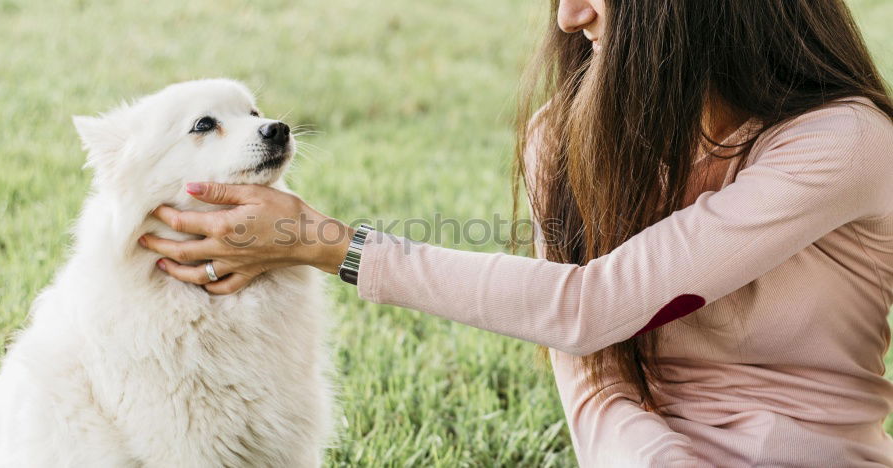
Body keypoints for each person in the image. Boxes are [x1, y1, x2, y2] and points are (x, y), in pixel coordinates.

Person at [138, 0, 893, 465]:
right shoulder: (562, 140)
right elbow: (593, 377)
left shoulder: (843, 142)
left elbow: (591, 307)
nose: (568, 16)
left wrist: (325, 242)